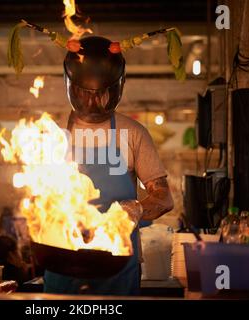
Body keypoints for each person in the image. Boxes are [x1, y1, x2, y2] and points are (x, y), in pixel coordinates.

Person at [44, 36, 174, 295]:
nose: (93, 103)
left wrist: (136, 209)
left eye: (102, 94)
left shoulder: (133, 133)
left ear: (117, 87)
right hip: (63, 261)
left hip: (119, 264)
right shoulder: (51, 131)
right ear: (70, 86)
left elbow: (164, 197)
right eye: (85, 94)